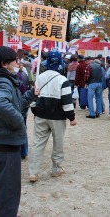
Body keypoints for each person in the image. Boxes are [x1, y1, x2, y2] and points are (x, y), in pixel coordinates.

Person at [0, 46, 38, 217]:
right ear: (3, 64)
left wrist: (30, 95)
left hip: (4, 141)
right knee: (7, 190)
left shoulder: (4, 79)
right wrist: (19, 124)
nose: (17, 62)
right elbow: (1, 104)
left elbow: (15, 104)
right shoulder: (2, 81)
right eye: (14, 60)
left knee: (5, 189)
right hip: (5, 142)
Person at [29, 51, 76, 183]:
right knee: (58, 143)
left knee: (38, 143)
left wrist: (35, 112)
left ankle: (33, 172)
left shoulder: (39, 77)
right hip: (57, 117)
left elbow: (33, 97)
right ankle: (56, 169)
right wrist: (71, 118)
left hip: (41, 115)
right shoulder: (63, 80)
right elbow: (67, 102)